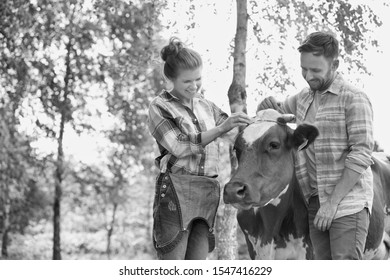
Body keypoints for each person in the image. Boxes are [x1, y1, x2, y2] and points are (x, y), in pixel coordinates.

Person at [258, 31, 374, 260]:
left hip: (347, 204)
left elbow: (361, 154)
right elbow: (278, 111)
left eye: (315, 70)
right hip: (315, 203)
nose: (308, 76)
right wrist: (266, 106)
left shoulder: (354, 98)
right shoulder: (303, 98)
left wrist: (331, 204)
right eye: (304, 69)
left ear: (335, 64)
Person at [148, 37, 251, 260]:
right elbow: (179, 145)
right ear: (169, 79)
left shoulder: (205, 104)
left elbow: (235, 130)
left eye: (198, 79)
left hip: (206, 192)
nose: (194, 86)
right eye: (187, 81)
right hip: (177, 191)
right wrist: (221, 128)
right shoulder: (159, 106)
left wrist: (266, 121)